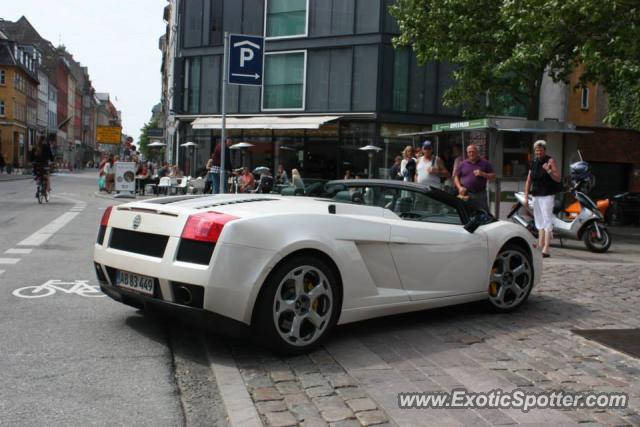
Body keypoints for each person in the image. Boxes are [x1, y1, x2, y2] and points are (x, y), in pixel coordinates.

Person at [524, 140, 561, 258]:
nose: (538, 152)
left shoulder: (550, 161)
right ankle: (540, 246)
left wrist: (549, 170)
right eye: (536, 150)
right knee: (539, 221)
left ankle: (546, 248)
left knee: (547, 220)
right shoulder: (534, 162)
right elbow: (529, 180)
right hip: (536, 195)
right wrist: (526, 196)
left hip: (547, 195)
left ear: (544, 150)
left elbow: (558, 178)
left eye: (540, 150)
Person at [454, 144, 496, 211]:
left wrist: (483, 174)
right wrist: (459, 187)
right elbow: (456, 177)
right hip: (466, 194)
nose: (471, 153)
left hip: (480, 194)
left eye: (473, 151)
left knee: (483, 213)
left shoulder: (485, 163)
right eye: (469, 152)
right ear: (467, 153)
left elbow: (493, 177)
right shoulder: (462, 164)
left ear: (477, 152)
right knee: (466, 213)